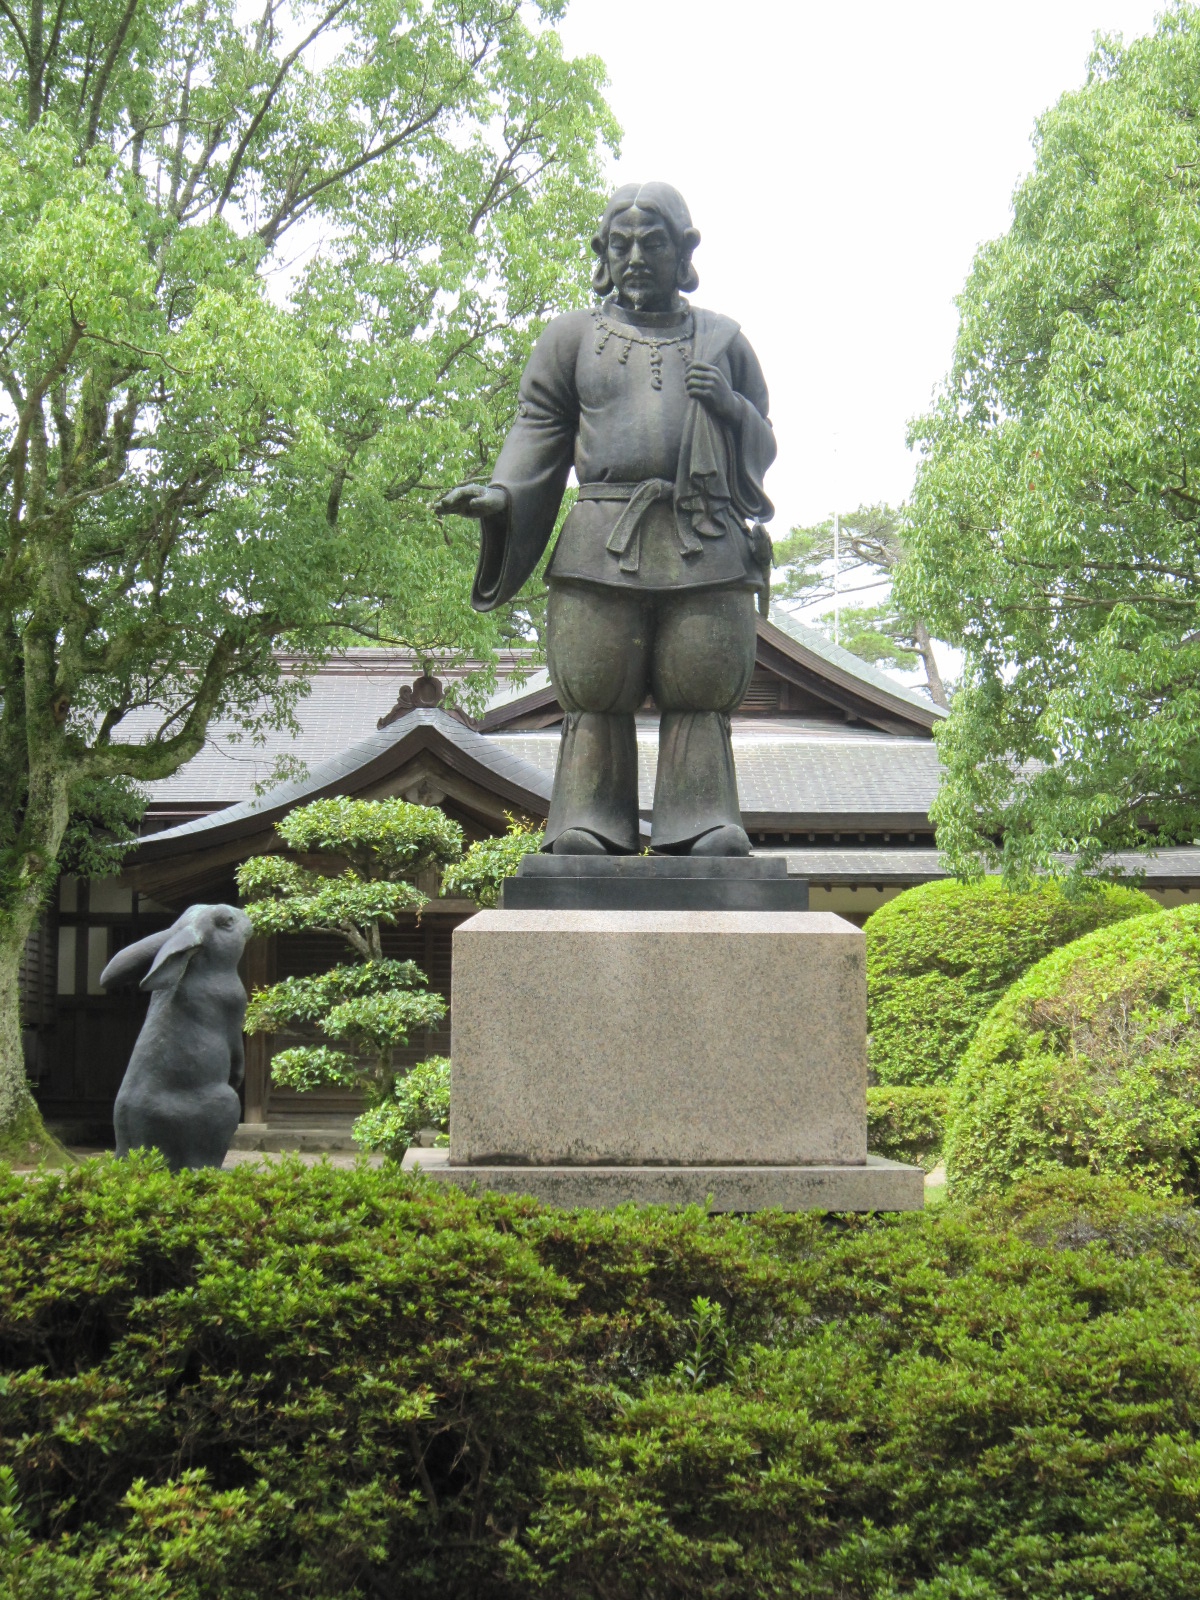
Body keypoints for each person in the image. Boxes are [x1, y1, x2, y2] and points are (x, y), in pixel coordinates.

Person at [437, 181, 776, 855]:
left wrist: (732, 410)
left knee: (699, 680)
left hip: (701, 537)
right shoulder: (571, 338)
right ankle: (589, 820)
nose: (636, 256)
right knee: (594, 686)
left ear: (684, 253)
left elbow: (763, 442)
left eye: (653, 243)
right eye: (620, 244)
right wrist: (503, 498)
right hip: (601, 538)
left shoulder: (723, 342)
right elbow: (537, 431)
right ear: (601, 253)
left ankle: (702, 819)